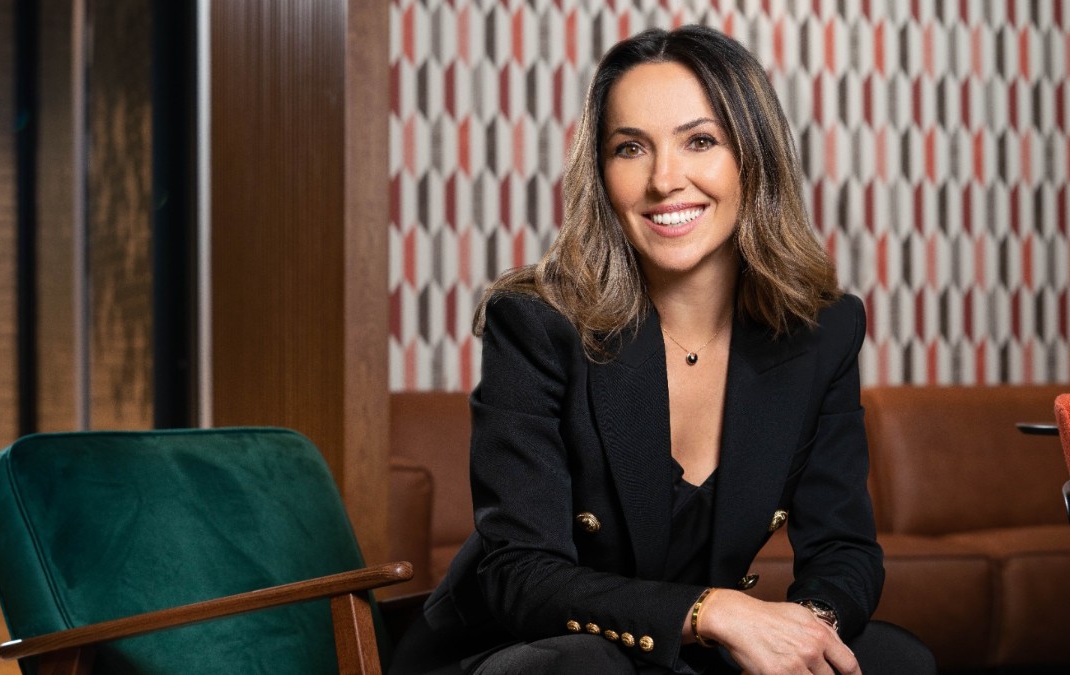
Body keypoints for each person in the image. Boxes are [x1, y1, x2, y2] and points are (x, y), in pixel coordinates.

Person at [389, 25, 936, 675]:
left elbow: (844, 548)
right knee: (587, 667)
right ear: (601, 173)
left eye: (700, 140)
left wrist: (805, 630)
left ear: (754, 158)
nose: (663, 180)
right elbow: (521, 574)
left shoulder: (824, 330)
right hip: (531, 649)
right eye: (630, 148)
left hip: (686, 651)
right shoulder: (536, 322)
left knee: (894, 659)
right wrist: (713, 610)